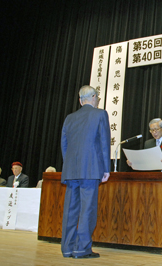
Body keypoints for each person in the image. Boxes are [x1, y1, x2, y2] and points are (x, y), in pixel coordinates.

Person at [60, 85, 110, 259]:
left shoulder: (69, 118)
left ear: (80, 100)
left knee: (70, 210)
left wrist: (69, 166)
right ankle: (81, 249)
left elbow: (64, 145)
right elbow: (104, 143)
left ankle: (67, 248)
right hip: (91, 169)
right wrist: (106, 169)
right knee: (87, 210)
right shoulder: (100, 114)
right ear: (94, 97)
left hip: (71, 170)